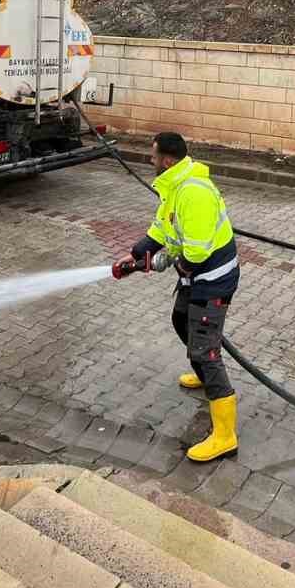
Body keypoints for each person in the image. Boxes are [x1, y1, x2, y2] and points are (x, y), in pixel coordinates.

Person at [117, 131, 240, 462]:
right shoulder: (174, 186)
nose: (150, 160)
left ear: (167, 160)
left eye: (153, 155)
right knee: (180, 319)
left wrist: (166, 263)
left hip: (213, 279)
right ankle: (203, 375)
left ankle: (225, 436)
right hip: (196, 276)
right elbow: (162, 228)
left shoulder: (194, 192)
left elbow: (196, 252)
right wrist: (137, 254)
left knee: (205, 351)